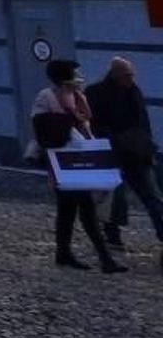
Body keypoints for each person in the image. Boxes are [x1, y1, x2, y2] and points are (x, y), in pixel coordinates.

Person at [30, 58, 124, 273]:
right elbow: (43, 127)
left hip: (80, 157)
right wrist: (67, 116)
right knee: (85, 208)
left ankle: (64, 254)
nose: (78, 75)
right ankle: (105, 259)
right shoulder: (46, 96)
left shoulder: (78, 95)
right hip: (62, 160)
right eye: (74, 72)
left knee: (68, 209)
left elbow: (86, 121)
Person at [86, 56, 163, 255]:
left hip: (137, 153)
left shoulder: (133, 91)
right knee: (114, 198)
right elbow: (93, 124)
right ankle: (112, 236)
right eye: (126, 75)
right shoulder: (96, 93)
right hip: (111, 152)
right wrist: (112, 141)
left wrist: (146, 147)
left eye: (131, 75)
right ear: (115, 74)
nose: (130, 79)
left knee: (152, 197)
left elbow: (143, 122)